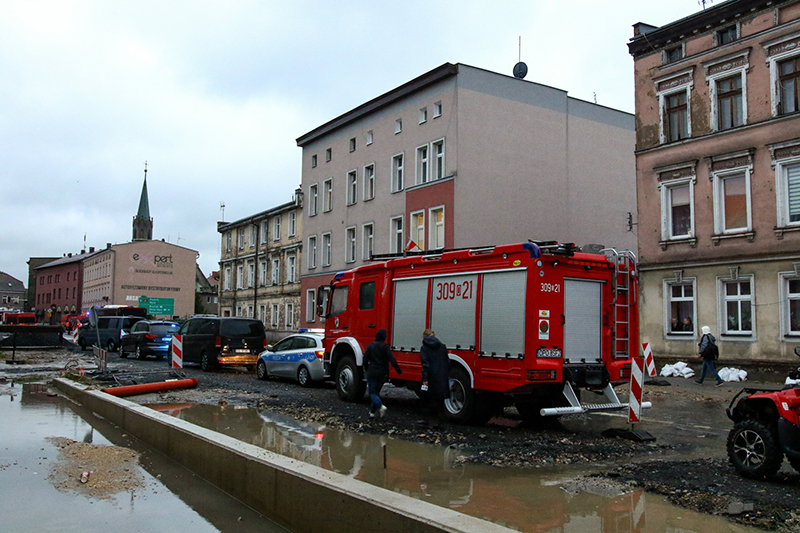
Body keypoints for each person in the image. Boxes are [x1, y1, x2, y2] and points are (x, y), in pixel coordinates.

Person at [363, 328, 402, 418]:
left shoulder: (371, 346)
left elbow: (365, 359)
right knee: (376, 392)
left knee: (372, 392)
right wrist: (398, 369)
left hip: (372, 371)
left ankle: (380, 406)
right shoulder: (385, 347)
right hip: (383, 372)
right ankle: (372, 412)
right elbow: (391, 359)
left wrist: (366, 368)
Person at [419, 329, 450, 420]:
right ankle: (440, 423)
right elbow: (447, 362)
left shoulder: (424, 348)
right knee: (440, 401)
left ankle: (425, 421)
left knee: (426, 399)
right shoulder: (442, 346)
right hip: (441, 376)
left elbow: (426, 364)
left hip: (431, 377)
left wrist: (425, 379)